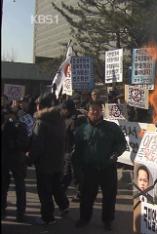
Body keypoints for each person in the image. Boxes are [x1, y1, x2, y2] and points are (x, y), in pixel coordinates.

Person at [73, 101, 127, 230]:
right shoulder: (82, 129)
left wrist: (115, 153)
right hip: (89, 169)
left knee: (109, 197)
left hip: (107, 168)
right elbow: (77, 151)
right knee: (86, 196)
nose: (95, 112)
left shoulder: (112, 127)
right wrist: (77, 170)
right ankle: (84, 219)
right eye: (92, 110)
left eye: (97, 109)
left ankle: (108, 220)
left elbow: (122, 143)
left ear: (102, 111)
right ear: (88, 112)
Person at [29, 93, 69, 225]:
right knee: (57, 187)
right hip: (57, 160)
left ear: (40, 105)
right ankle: (64, 206)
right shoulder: (60, 120)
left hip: (44, 163)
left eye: (37, 104)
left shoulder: (41, 122)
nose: (36, 106)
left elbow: (37, 145)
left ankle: (47, 217)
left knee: (45, 191)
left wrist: (30, 159)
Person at [1, 109, 29, 222]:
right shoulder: (21, 125)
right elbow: (25, 142)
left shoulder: (13, 126)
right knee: (18, 186)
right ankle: (20, 212)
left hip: (8, 158)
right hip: (17, 158)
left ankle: (6, 210)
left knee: (11, 185)